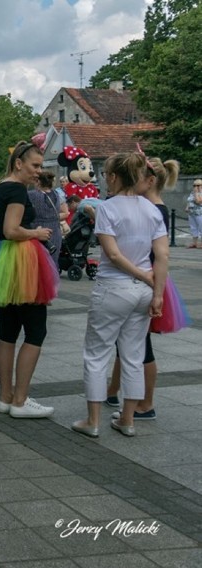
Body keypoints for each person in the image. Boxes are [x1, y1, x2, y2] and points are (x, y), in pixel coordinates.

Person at [71, 153, 168, 438]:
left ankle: (93, 420)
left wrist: (140, 275)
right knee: (133, 355)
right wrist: (157, 291)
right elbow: (162, 254)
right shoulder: (151, 210)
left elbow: (112, 254)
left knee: (97, 353)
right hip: (144, 292)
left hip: (113, 287)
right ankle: (128, 419)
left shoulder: (107, 209)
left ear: (113, 177)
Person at [0, 141, 58, 418]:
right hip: (20, 260)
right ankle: (20, 400)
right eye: (35, 166)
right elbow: (11, 229)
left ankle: (5, 397)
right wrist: (37, 233)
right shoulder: (17, 190)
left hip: (2, 259)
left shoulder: (0, 187)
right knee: (35, 331)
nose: (38, 172)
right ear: (19, 163)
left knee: (7, 331)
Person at [105, 157, 179, 420]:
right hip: (144, 279)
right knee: (127, 340)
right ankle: (113, 390)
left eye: (137, 177)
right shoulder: (148, 207)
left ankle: (146, 403)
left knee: (140, 344)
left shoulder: (154, 210)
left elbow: (159, 254)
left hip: (147, 279)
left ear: (149, 181)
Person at [27, 171, 66, 268]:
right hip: (55, 232)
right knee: (52, 263)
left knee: (38, 264)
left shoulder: (32, 195)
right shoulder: (57, 194)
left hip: (39, 231)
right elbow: (65, 211)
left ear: (38, 182)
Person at [185, 178, 202, 248]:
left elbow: (198, 201)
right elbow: (190, 200)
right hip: (191, 213)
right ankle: (194, 242)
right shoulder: (192, 192)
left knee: (201, 227)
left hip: (199, 213)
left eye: (198, 185)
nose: (195, 187)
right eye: (194, 185)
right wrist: (187, 207)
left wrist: (196, 193)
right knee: (193, 228)